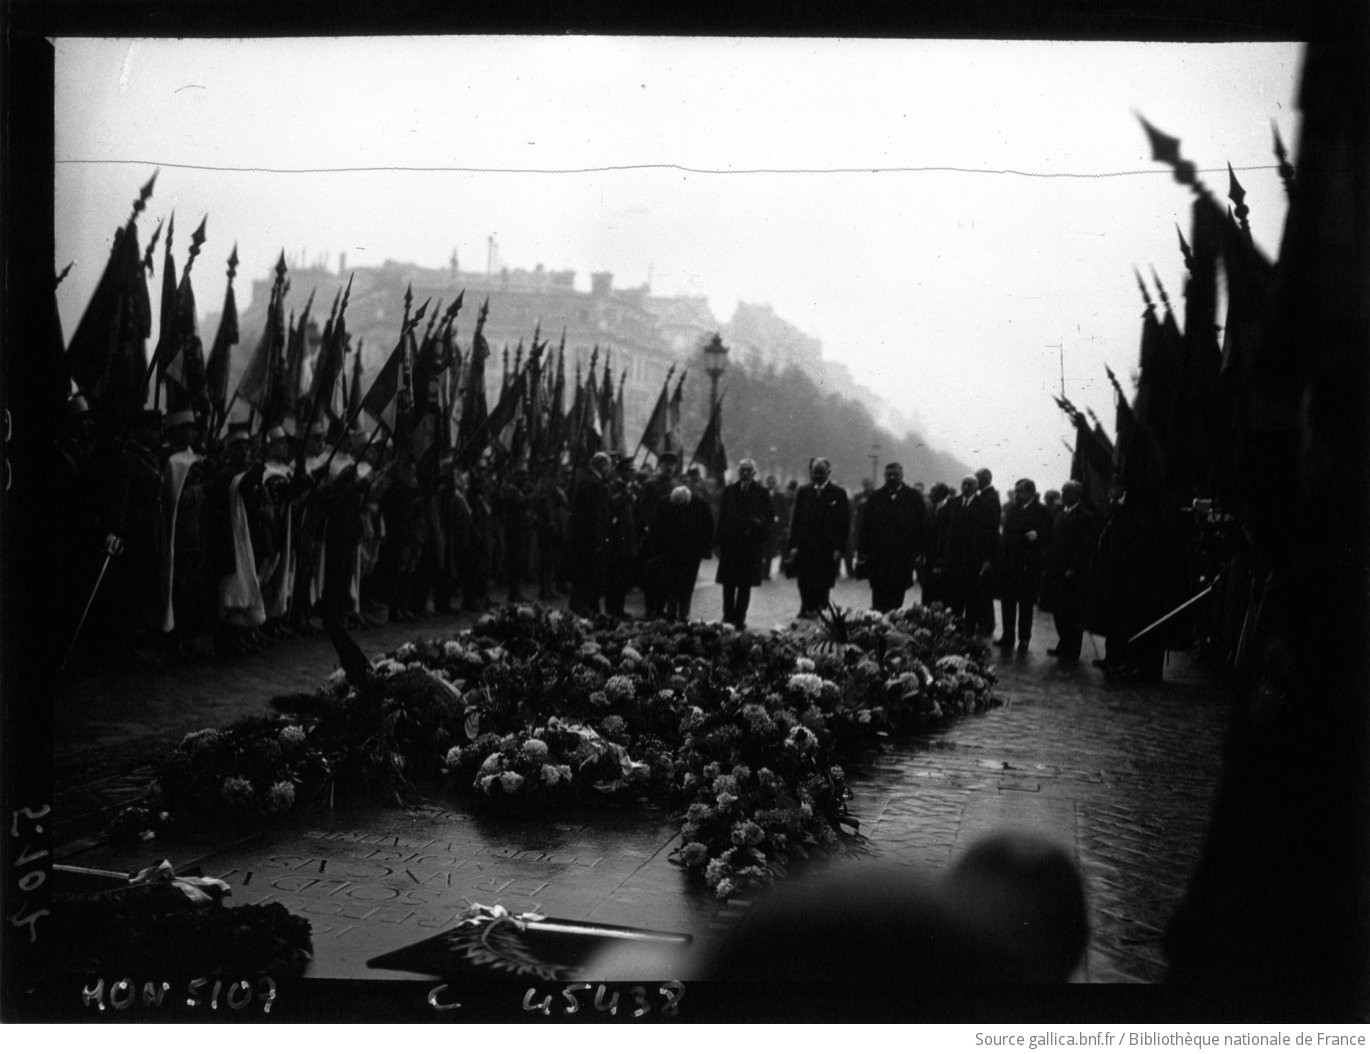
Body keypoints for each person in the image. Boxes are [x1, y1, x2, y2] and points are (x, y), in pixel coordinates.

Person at [856, 461, 927, 613]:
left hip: (902, 557)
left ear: (902, 475)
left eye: (896, 474)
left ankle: (892, 626)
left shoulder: (914, 497)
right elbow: (865, 526)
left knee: (897, 597)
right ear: (884, 476)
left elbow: (922, 527)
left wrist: (920, 551)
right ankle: (878, 626)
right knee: (878, 597)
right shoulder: (875, 497)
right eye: (889, 475)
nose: (892, 477)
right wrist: (862, 552)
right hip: (879, 557)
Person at [786, 457, 851, 618]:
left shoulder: (838, 493)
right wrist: (793, 545)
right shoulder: (803, 492)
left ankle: (821, 609)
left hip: (827, 548)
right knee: (804, 579)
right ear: (811, 473)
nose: (818, 476)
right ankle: (805, 607)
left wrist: (839, 548)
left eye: (822, 472)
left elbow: (844, 524)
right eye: (815, 472)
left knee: (823, 581)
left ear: (828, 473)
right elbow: (796, 520)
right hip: (805, 546)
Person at [714, 458, 775, 629]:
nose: (746, 473)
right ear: (738, 472)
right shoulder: (729, 491)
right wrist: (717, 542)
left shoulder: (762, 493)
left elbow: (769, 517)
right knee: (728, 584)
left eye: (749, 470)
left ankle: (740, 618)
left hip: (750, 545)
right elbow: (722, 518)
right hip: (730, 544)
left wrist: (758, 524)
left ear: (754, 473)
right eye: (743, 470)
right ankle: (727, 617)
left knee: (744, 585)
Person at [1039, 480, 1094, 665]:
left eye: (1067, 491)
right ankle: (1063, 644)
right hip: (1055, 569)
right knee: (1058, 610)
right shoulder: (1059, 514)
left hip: (1072, 573)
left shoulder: (1085, 516)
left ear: (1077, 494)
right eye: (1062, 490)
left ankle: (1073, 650)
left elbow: (1085, 547)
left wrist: (1074, 568)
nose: (1063, 494)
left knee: (1072, 612)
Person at [996, 478, 1052, 652]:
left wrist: (1037, 537)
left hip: (1029, 567)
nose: (1016, 494)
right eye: (1016, 490)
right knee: (1008, 603)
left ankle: (1024, 638)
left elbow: (1048, 536)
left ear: (1030, 493)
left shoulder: (1042, 511)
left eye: (1020, 491)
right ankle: (1008, 636)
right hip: (1009, 565)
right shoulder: (1011, 509)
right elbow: (1005, 536)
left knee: (1026, 605)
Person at [934, 475, 994, 630]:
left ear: (976, 486)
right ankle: (955, 629)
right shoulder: (952, 504)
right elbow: (942, 531)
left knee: (972, 598)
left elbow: (990, 534)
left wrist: (988, 558)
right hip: (953, 559)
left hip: (973, 560)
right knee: (954, 597)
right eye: (964, 484)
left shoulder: (984, 506)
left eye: (970, 484)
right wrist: (940, 555)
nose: (966, 487)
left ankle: (969, 630)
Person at [647, 482, 714, 621]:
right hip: (672, 552)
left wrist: (704, 549)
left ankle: (683, 614)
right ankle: (673, 613)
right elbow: (656, 528)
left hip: (689, 553)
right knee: (672, 584)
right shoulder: (664, 504)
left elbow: (708, 528)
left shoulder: (699, 505)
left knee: (686, 585)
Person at [567, 451, 612, 616]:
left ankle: (579, 605)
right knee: (591, 575)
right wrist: (600, 541)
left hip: (580, 537)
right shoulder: (596, 485)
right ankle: (588, 607)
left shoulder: (584, 481)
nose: (609, 469)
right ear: (602, 465)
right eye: (608, 465)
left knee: (581, 575)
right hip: (592, 539)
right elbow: (597, 517)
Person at [637, 451, 680, 618]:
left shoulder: (678, 486)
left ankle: (660, 607)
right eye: (665, 464)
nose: (669, 467)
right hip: (653, 536)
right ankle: (649, 608)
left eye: (672, 464)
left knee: (666, 576)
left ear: (676, 467)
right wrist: (647, 528)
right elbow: (642, 509)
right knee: (651, 575)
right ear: (659, 466)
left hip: (671, 537)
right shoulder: (649, 485)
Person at [973, 467, 1003, 635]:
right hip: (985, 551)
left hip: (986, 552)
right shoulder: (989, 496)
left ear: (984, 479)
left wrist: (987, 557)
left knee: (984, 591)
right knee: (982, 591)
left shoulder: (989, 498)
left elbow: (990, 529)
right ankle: (985, 623)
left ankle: (986, 624)